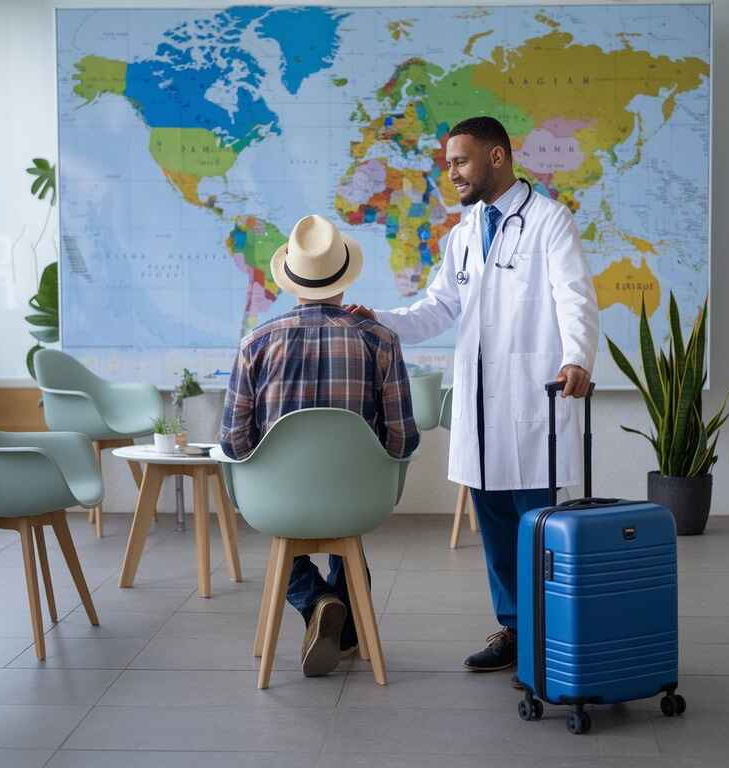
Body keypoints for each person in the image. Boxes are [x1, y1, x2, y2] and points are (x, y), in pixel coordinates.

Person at [349, 116, 598, 685]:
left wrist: (578, 357)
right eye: (449, 163)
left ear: (497, 157)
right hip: (482, 409)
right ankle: (513, 631)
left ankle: (549, 638)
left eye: (460, 161)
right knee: (494, 527)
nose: (452, 172)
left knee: (537, 526)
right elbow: (437, 309)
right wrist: (378, 320)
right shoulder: (463, 232)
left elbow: (574, 297)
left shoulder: (548, 221)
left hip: (535, 400)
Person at [220, 213, 420, 678]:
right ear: (344, 278)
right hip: (357, 500)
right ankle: (343, 628)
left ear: (291, 281)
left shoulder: (256, 343)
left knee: (283, 543)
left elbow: (233, 441)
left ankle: (316, 600)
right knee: (347, 540)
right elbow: (403, 437)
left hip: (277, 502)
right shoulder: (381, 341)